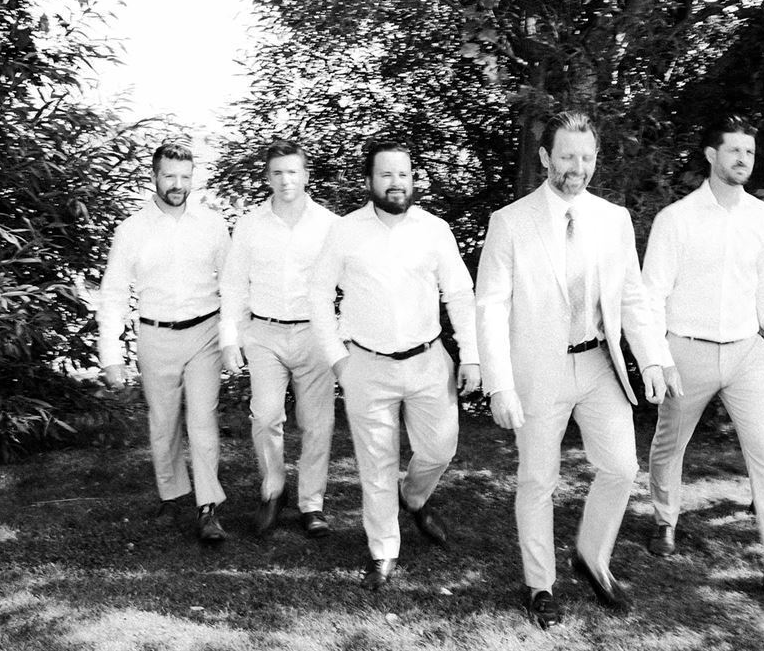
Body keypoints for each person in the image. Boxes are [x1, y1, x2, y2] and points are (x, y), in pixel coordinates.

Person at [476, 111, 668, 629]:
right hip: (539, 370)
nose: (577, 167)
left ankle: (592, 556)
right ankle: (540, 584)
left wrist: (652, 356)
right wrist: (499, 385)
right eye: (566, 156)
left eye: (586, 157)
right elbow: (490, 307)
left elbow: (632, 295)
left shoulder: (613, 219)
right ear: (546, 157)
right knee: (538, 479)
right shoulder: (510, 222)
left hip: (600, 363)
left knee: (622, 467)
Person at [641, 114, 764, 597]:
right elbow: (652, 294)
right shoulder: (676, 218)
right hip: (686, 351)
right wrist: (659, 357)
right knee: (669, 444)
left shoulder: (762, 216)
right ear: (712, 155)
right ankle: (665, 518)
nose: (743, 159)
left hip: (745, 352)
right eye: (734, 150)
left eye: (749, 152)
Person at [308, 140, 480, 591]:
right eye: (385, 174)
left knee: (440, 449)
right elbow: (318, 295)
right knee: (377, 465)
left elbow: (459, 293)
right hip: (366, 365)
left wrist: (472, 354)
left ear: (412, 179)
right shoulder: (345, 231)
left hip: (428, 361)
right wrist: (338, 360)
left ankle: (415, 497)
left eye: (403, 174)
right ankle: (383, 550)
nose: (396, 182)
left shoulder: (434, 230)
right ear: (369, 181)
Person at [98, 142, 230, 542]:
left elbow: (232, 285)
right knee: (163, 421)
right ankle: (172, 495)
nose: (178, 184)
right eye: (170, 176)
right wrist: (110, 356)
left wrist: (232, 338)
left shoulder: (212, 224)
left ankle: (208, 507)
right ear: (154, 176)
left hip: (205, 332)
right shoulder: (132, 229)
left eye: (185, 177)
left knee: (203, 420)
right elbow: (113, 293)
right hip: (155, 335)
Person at [220, 140, 339, 538]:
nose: (286, 180)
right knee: (266, 415)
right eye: (277, 173)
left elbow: (351, 282)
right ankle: (273, 490)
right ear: (268, 178)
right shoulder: (250, 225)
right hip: (265, 333)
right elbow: (234, 284)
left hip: (315, 333)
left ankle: (312, 503)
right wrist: (230, 338)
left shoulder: (329, 225)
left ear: (306, 175)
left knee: (317, 422)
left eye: (292, 172)